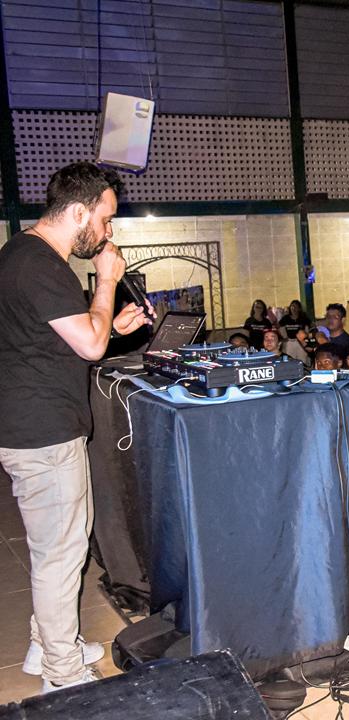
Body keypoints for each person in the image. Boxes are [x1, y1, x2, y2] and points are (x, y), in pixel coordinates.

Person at [0, 162, 151, 692]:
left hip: (35, 425)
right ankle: (62, 674)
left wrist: (112, 327)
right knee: (60, 556)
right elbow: (88, 345)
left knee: (60, 548)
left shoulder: (22, 255)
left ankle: (47, 646)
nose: (108, 232)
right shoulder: (41, 264)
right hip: (43, 432)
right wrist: (107, 282)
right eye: (106, 219)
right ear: (80, 212)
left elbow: (68, 339)